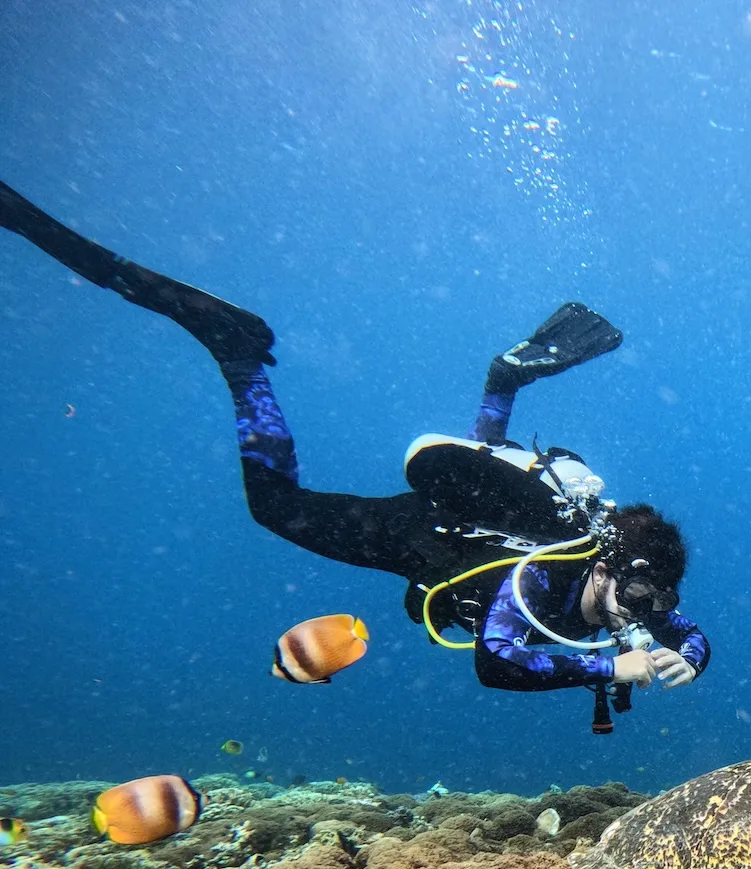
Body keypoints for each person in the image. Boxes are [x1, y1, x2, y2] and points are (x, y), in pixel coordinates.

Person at [0, 180, 710, 725]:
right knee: (274, 507)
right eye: (641, 596)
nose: (637, 616)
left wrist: (687, 658)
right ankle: (239, 358)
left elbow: (694, 635)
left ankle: (502, 385)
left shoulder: (621, 586)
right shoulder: (532, 579)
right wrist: (606, 673)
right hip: (417, 534)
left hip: (481, 501)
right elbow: (497, 662)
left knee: (487, 460)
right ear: (613, 564)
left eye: (655, 604)